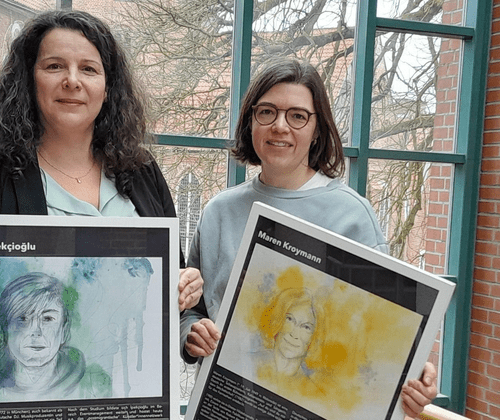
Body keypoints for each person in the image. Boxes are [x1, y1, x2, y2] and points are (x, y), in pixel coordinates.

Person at [179, 59, 437, 418]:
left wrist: (415, 375)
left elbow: (382, 334)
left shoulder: (353, 217)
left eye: (298, 116)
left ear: (317, 130)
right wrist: (191, 334)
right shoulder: (219, 212)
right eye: (267, 112)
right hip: (226, 406)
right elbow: (191, 309)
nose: (280, 126)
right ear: (251, 121)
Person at [0, 10, 201, 311]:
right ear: (29, 79)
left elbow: (171, 281)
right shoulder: (4, 174)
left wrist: (185, 291)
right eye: (54, 66)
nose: (72, 80)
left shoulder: (142, 170)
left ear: (108, 89)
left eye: (88, 69)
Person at [0, 272, 111, 401]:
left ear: (64, 331)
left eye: (47, 318)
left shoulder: (93, 386)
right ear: (5, 329)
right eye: (23, 318)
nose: (36, 331)